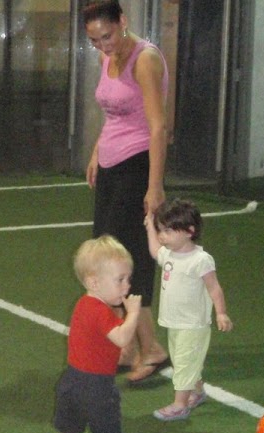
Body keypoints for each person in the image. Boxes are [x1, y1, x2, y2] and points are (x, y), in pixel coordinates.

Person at [82, 0, 171, 384]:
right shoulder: (108, 56)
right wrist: (96, 153)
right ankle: (129, 347)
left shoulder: (144, 60)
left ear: (123, 21)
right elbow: (112, 114)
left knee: (128, 260)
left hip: (137, 167)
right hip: (111, 166)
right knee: (107, 257)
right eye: (94, 40)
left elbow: (158, 127)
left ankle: (152, 349)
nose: (103, 46)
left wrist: (155, 185)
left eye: (107, 36)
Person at [40, 235, 140, 433]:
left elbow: (97, 342)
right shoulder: (101, 311)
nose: (127, 286)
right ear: (94, 282)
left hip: (72, 381)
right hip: (98, 387)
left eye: (128, 279)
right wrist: (133, 313)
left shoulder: (83, 305)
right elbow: (122, 338)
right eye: (120, 280)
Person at [143, 199, 233, 421]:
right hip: (174, 322)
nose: (162, 236)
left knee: (183, 363)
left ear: (189, 231)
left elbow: (214, 288)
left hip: (193, 324)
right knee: (183, 361)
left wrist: (221, 313)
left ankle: (180, 405)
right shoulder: (169, 254)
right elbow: (154, 251)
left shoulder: (200, 260)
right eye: (161, 230)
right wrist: (150, 228)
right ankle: (198, 391)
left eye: (168, 231)